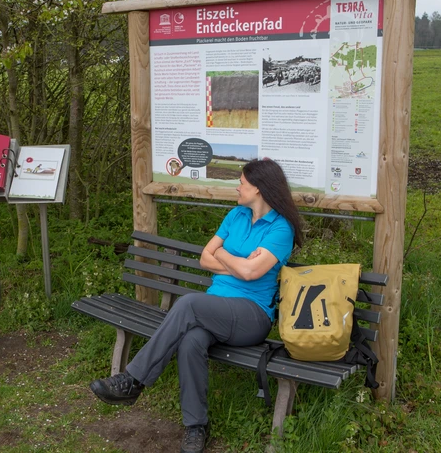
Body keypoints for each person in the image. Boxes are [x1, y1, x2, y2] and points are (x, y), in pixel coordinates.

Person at [89, 159, 303, 453]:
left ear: (259, 188)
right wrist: (238, 262)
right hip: (216, 306)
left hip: (251, 315)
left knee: (188, 304)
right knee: (190, 340)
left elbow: (252, 273)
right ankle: (195, 426)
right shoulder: (236, 215)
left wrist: (225, 255)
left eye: (242, 182)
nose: (237, 187)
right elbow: (206, 257)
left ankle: (132, 380)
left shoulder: (281, 228)